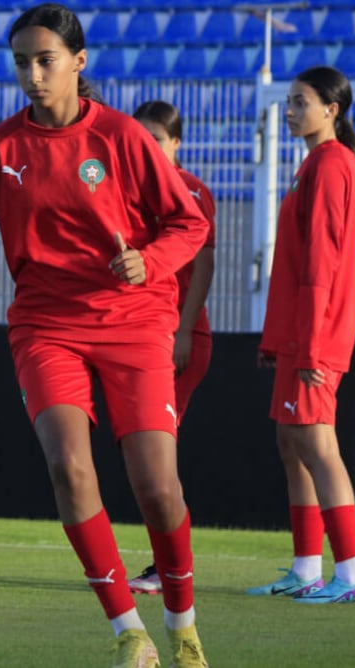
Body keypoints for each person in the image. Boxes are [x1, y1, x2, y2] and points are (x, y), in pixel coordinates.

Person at [0, 4, 209, 667]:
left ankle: (182, 627)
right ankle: (130, 633)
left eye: (45, 60)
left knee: (158, 489)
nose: (32, 75)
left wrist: (151, 261)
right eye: (21, 63)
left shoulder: (121, 137)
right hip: (45, 324)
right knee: (68, 466)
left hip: (134, 319)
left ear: (79, 62)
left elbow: (188, 222)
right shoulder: (1, 147)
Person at [246, 65, 355, 605]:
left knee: (319, 446)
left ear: (331, 110)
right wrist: (279, 338)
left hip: (317, 335)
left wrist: (314, 345)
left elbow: (325, 261)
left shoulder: (332, 164)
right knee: (291, 443)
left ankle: (351, 577)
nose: (291, 111)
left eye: (301, 102)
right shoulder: (313, 164)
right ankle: (306, 568)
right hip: (300, 331)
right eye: (290, 102)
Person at [127, 100, 217, 597]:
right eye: (140, 139)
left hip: (176, 336)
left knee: (159, 463)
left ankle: (170, 569)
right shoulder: (129, 186)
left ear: (176, 143)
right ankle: (164, 565)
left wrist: (183, 331)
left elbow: (202, 267)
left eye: (157, 139)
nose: (148, 148)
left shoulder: (191, 191)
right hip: (142, 334)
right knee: (149, 460)